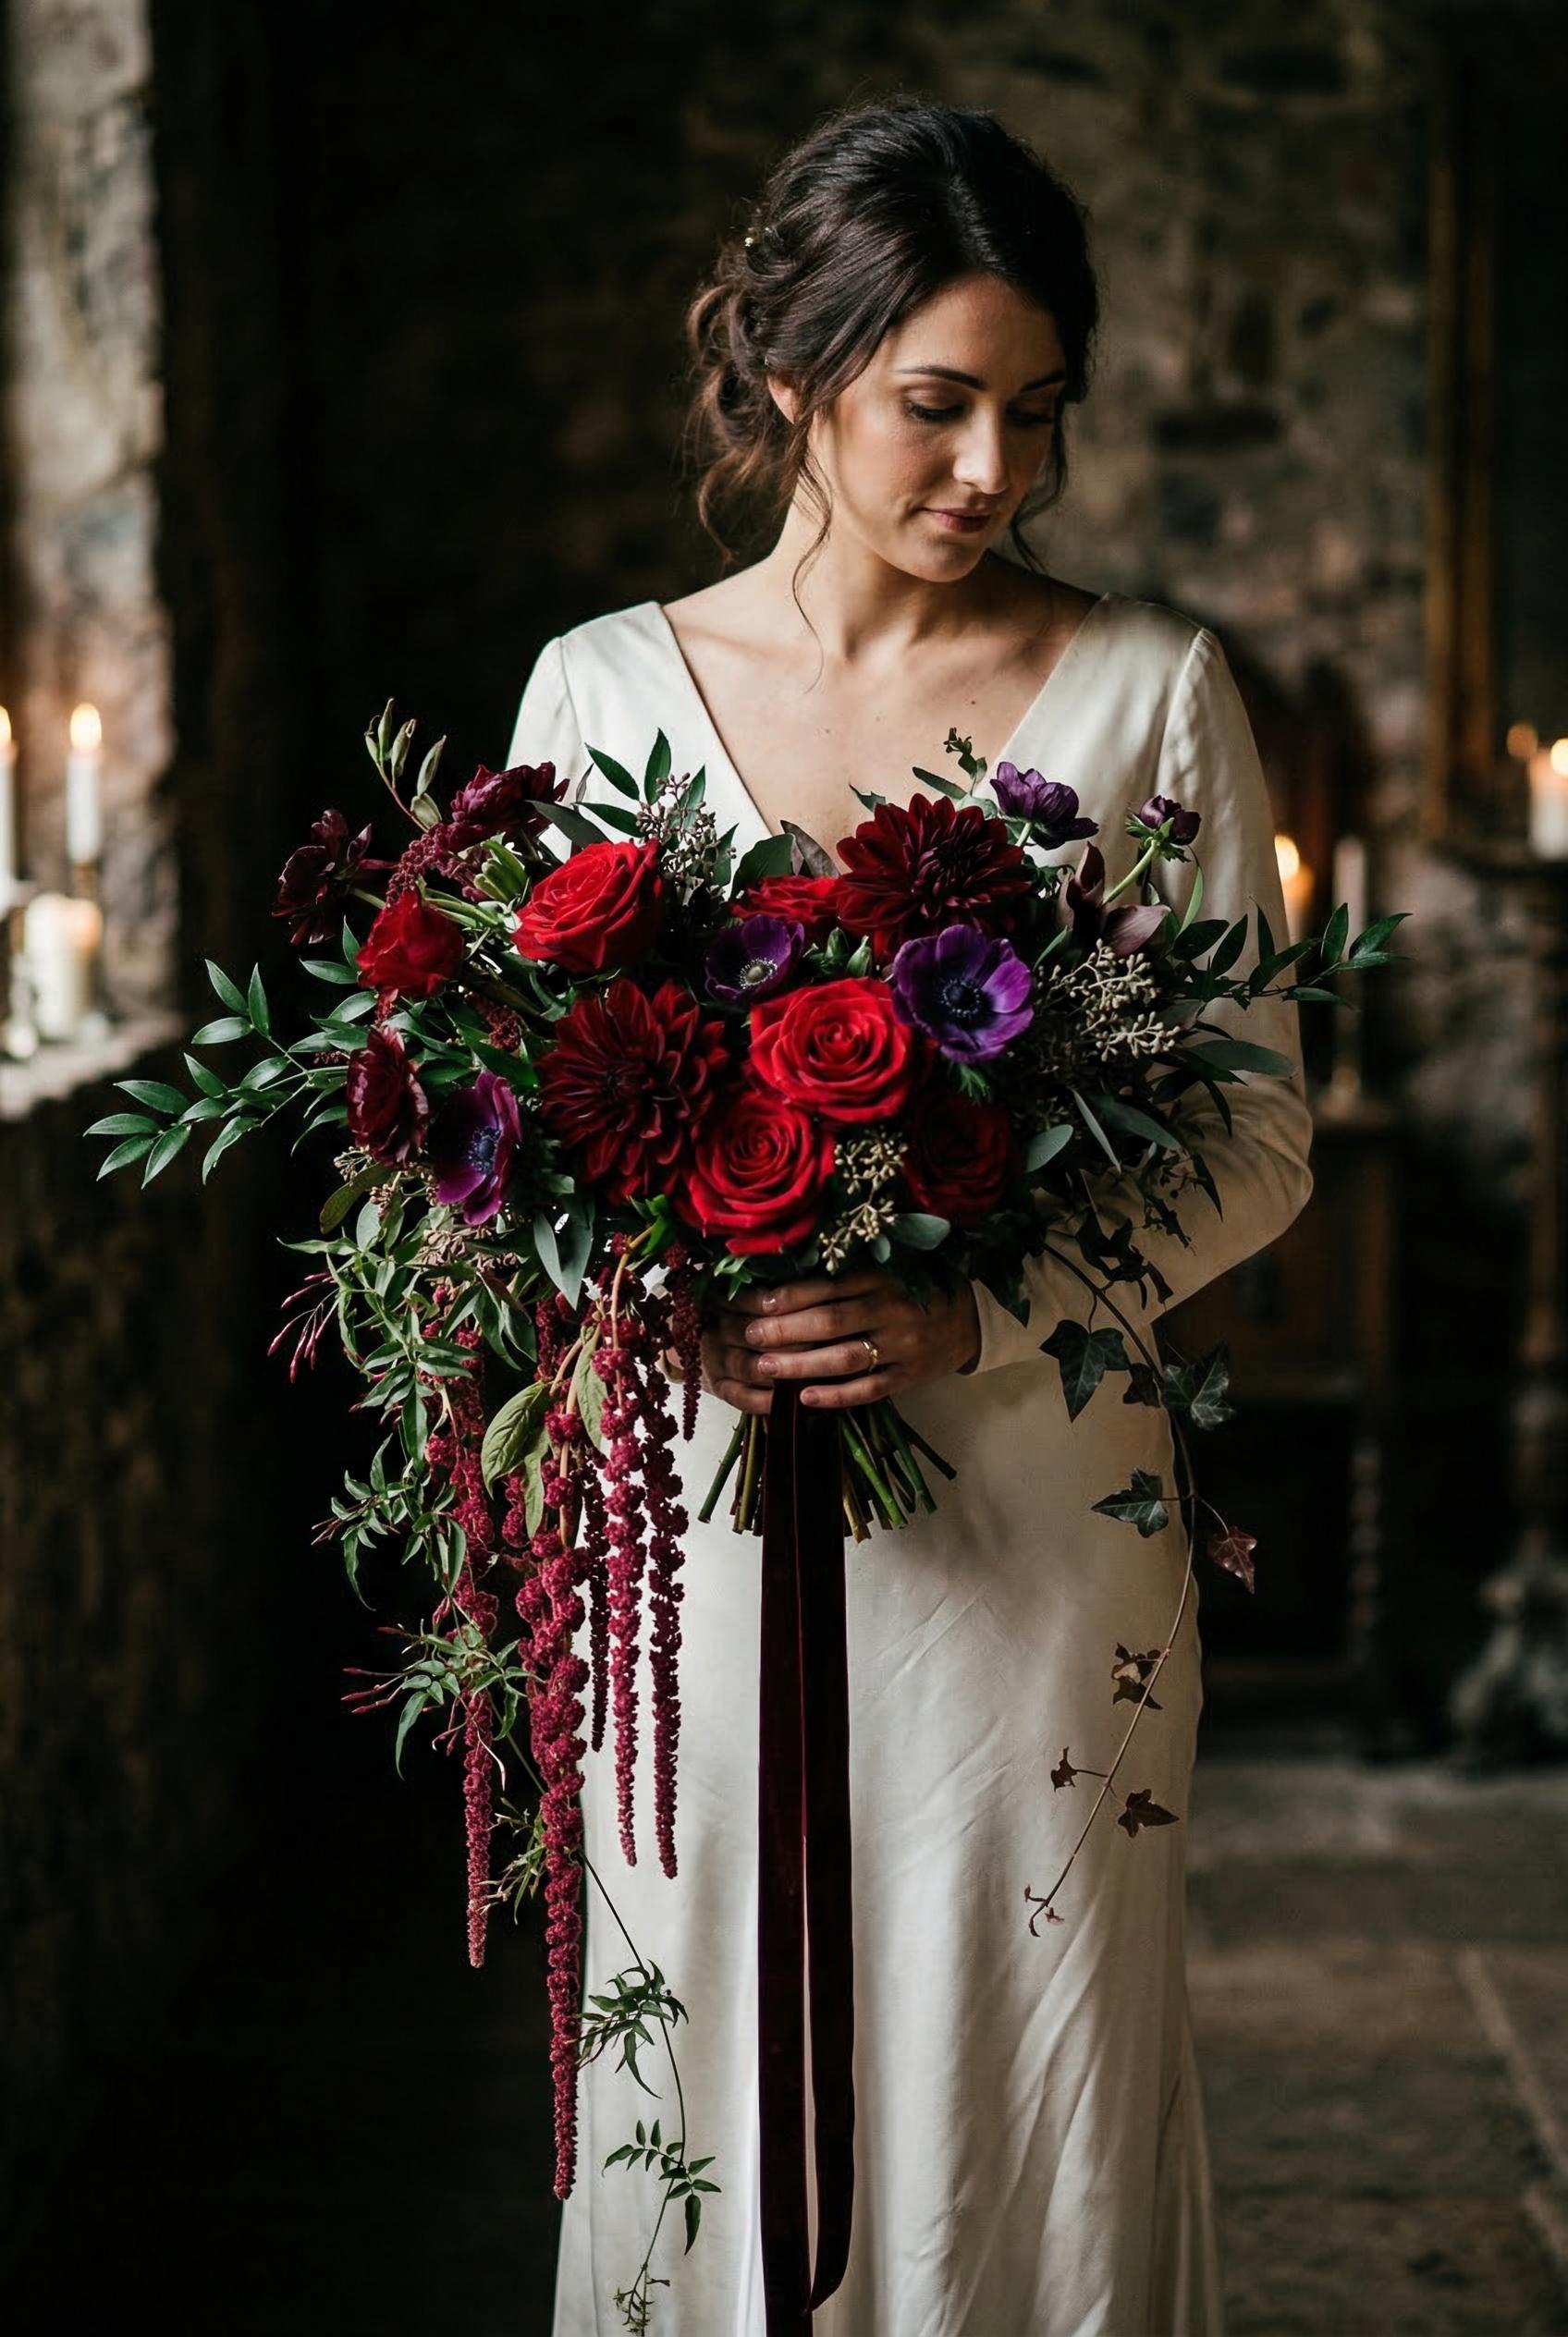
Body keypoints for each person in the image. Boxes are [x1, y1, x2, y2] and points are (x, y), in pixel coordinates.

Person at [507, 91, 1313, 2337]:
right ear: (788, 378)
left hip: (1037, 1519)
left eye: (1034, 415)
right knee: (713, 2031)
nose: (996, 474)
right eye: (935, 406)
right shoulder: (597, 696)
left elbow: (1251, 1137)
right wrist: (634, 1285)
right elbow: (519, 1143)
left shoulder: (1152, 693)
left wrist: (979, 1313)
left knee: (1020, 2060)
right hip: (699, 1519)